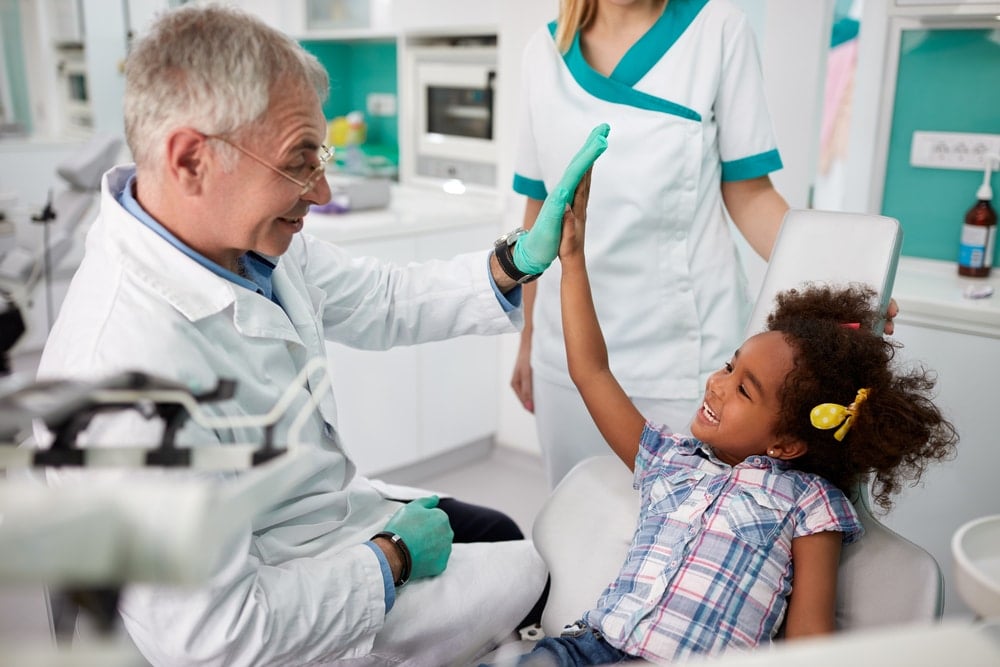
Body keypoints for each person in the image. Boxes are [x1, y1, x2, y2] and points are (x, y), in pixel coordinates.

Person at [33, 6, 607, 666]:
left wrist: (514, 262)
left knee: (499, 531)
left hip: (314, 518)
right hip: (279, 601)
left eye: (322, 156)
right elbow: (216, 637)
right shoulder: (116, 377)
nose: (323, 188)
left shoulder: (240, 246)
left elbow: (384, 298)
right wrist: (388, 560)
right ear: (191, 159)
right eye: (300, 162)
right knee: (529, 572)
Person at [494, 171, 959, 665]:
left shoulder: (810, 503)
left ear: (787, 443)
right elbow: (591, 372)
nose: (717, 382)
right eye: (730, 364)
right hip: (584, 649)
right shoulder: (669, 460)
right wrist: (573, 259)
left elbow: (809, 641)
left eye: (743, 389)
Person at [509, 0, 795, 488]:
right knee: (578, 530)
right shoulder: (544, 52)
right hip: (567, 352)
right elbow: (540, 211)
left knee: (687, 542)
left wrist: (837, 268)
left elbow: (750, 193)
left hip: (684, 366)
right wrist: (528, 337)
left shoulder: (717, 31)